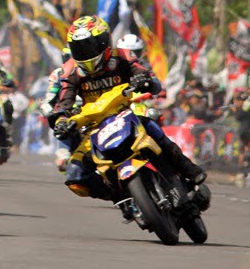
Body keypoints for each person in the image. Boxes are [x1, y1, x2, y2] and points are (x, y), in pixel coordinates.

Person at [51, 15, 205, 207]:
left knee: (151, 126)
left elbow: (145, 74)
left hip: (125, 114)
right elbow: (63, 104)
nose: (85, 53)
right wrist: (61, 122)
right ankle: (119, 197)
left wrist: (144, 80)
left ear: (104, 41)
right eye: (79, 48)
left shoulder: (122, 55)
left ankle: (187, 168)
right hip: (93, 129)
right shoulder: (70, 70)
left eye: (89, 46)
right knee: (74, 177)